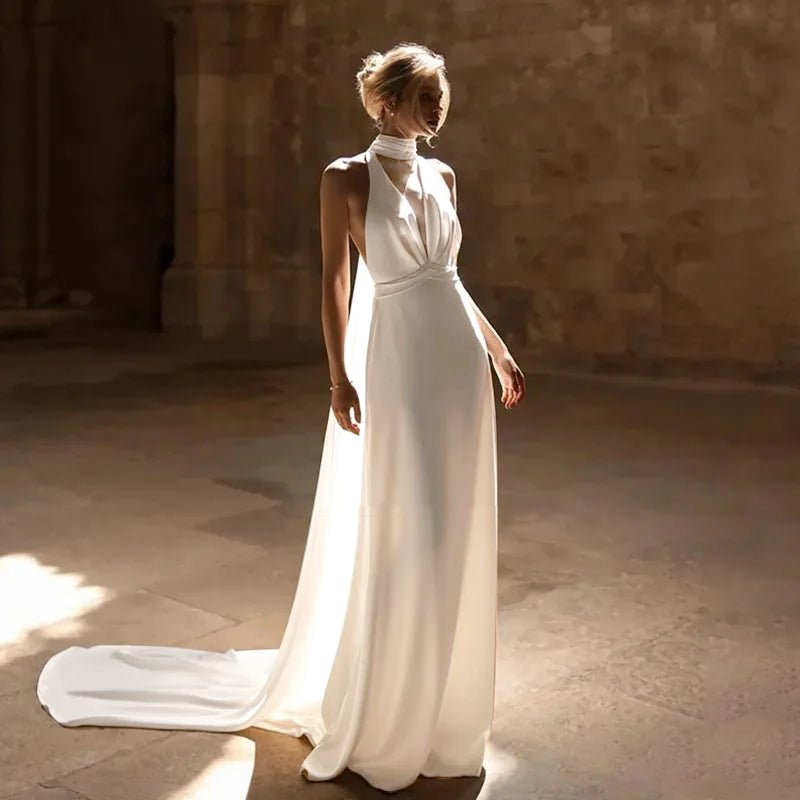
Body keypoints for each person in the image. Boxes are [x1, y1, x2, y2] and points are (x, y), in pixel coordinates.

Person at [35, 42, 526, 794]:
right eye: (426, 96)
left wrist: (494, 349)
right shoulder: (345, 178)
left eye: (443, 97)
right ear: (388, 100)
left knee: (454, 524)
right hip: (396, 365)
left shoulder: (444, 174)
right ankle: (383, 707)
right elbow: (334, 285)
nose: (439, 109)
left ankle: (440, 707)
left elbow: (450, 278)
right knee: (405, 523)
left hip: (455, 370)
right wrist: (338, 378)